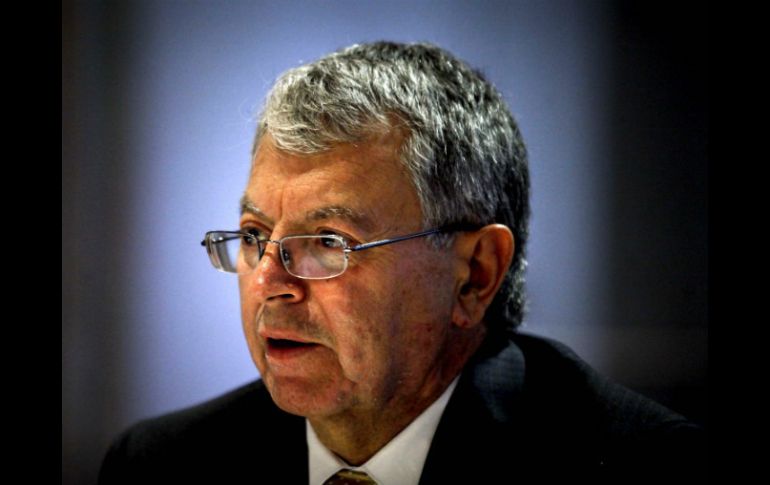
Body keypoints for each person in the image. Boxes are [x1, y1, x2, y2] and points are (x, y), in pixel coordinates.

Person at [98, 41, 704, 484]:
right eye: (256, 235)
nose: (268, 280)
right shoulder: (164, 466)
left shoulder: (641, 468)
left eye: (328, 241)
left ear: (475, 276)